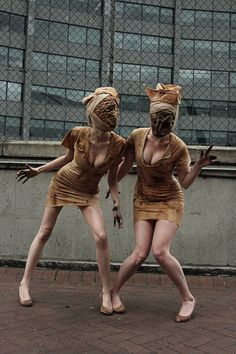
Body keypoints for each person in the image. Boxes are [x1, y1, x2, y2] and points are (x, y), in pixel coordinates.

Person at [110, 83, 217, 322]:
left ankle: (188, 298)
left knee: (159, 251)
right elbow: (126, 166)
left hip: (170, 199)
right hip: (143, 198)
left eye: (167, 121)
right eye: (158, 119)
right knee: (139, 254)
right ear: (151, 117)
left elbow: (185, 182)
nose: (162, 125)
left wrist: (197, 167)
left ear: (173, 121)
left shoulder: (178, 146)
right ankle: (113, 292)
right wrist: (111, 184)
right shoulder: (137, 137)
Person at [16, 87, 126, 315]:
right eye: (102, 118)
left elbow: (112, 178)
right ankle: (24, 283)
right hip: (63, 183)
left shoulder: (118, 144)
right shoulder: (77, 134)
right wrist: (39, 170)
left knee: (102, 236)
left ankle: (106, 291)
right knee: (45, 232)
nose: (107, 123)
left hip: (88, 192)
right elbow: (66, 159)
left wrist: (116, 202)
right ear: (92, 116)